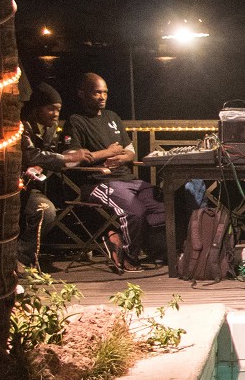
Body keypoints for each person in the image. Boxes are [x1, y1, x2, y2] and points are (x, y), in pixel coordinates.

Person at [66, 72, 166, 271]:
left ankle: (139, 243)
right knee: (135, 211)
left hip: (128, 178)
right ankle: (128, 256)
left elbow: (130, 150)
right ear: (82, 94)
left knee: (163, 205)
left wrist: (123, 157)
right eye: (96, 93)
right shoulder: (76, 121)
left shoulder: (113, 117)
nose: (102, 97)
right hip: (98, 182)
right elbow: (70, 160)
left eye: (105, 92)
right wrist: (108, 152)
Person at [18, 83, 89, 268]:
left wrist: (42, 167)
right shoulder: (21, 125)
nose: (56, 114)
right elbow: (30, 154)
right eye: (51, 109)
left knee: (48, 209)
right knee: (43, 210)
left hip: (32, 184)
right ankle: (19, 259)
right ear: (36, 109)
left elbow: (46, 152)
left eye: (58, 110)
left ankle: (21, 258)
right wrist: (68, 157)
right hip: (12, 184)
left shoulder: (51, 127)